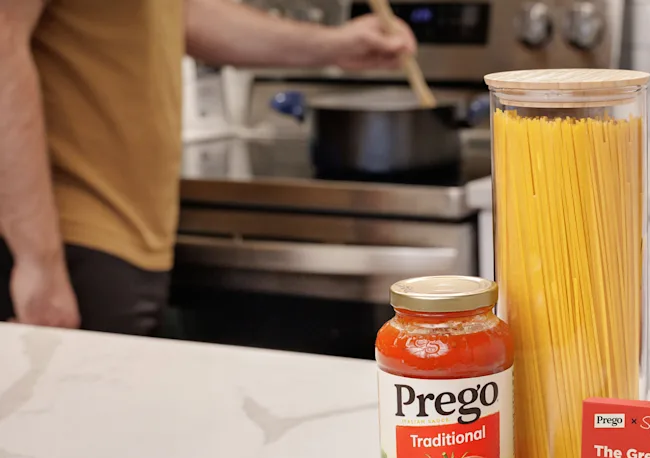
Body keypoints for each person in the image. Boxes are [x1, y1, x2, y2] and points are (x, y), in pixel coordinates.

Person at [0, 0, 416, 335]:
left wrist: (334, 45)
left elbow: (182, 13)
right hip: (68, 240)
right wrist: (38, 262)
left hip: (125, 234)